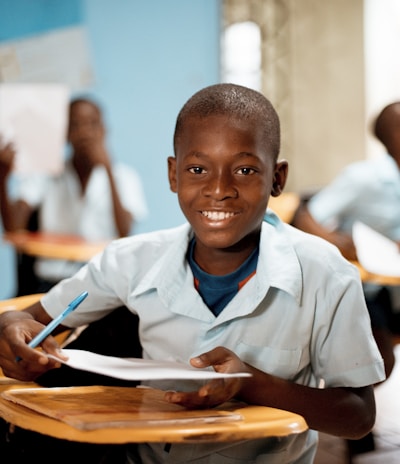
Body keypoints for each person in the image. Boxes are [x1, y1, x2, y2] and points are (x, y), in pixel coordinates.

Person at [0, 84, 385, 464]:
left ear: (277, 178)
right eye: (198, 169)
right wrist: (14, 331)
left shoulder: (325, 274)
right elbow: (29, 319)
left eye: (245, 169)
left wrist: (252, 384)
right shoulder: (130, 260)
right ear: (173, 174)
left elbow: (358, 416)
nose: (219, 189)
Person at [292, 101, 400, 382]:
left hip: (395, 286)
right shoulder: (364, 179)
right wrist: (342, 244)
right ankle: (357, 418)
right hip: (368, 288)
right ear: (388, 140)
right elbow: (306, 218)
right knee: (378, 360)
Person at [0, 97, 148, 294]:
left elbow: (125, 231)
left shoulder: (124, 177)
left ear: (104, 130)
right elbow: (14, 229)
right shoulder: (45, 173)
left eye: (92, 124)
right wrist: (2, 177)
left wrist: (107, 168)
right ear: (65, 133)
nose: (85, 132)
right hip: (50, 283)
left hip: (102, 284)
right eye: (76, 125)